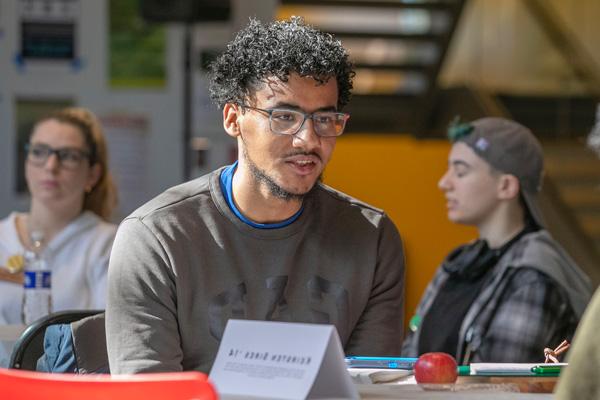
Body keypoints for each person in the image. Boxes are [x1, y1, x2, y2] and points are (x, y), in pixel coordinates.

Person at [106, 17, 405, 374]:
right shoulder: (156, 239)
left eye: (325, 120)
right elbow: (150, 393)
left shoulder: (372, 239)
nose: (308, 140)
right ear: (233, 119)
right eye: (284, 116)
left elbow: (369, 388)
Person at [401, 117, 592, 364]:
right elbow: (409, 357)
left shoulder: (534, 275)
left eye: (460, 171)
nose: (444, 183)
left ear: (506, 186)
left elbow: (496, 382)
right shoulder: (460, 263)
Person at [0, 107, 118, 366]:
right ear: (26, 162)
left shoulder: (108, 244)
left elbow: (107, 340)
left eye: (68, 156)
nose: (51, 166)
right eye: (39, 152)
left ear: (92, 174)